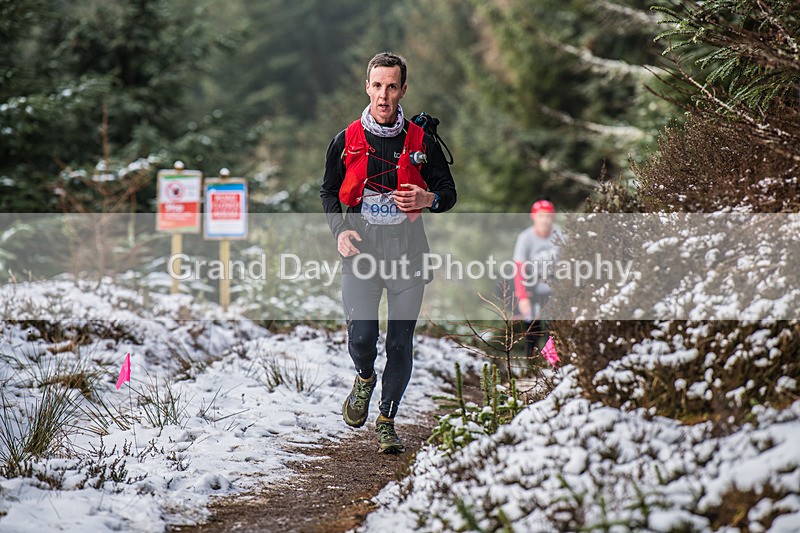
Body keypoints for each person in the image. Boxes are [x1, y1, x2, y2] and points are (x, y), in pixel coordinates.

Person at [320, 52, 456, 454]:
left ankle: (386, 421)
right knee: (362, 337)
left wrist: (427, 197)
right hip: (361, 249)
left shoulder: (422, 141)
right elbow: (328, 192)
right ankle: (364, 377)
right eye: (377, 86)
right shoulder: (345, 140)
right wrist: (339, 229)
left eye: (391, 86)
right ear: (367, 87)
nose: (383, 95)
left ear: (403, 90)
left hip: (409, 253)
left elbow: (449, 195)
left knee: (399, 343)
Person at [512, 199, 561, 357]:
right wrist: (522, 297)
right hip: (532, 287)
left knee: (553, 328)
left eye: (548, 216)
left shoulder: (560, 235)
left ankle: (552, 363)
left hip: (554, 287)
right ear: (534, 216)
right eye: (541, 216)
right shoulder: (525, 238)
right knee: (532, 329)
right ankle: (531, 365)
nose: (544, 220)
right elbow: (519, 269)